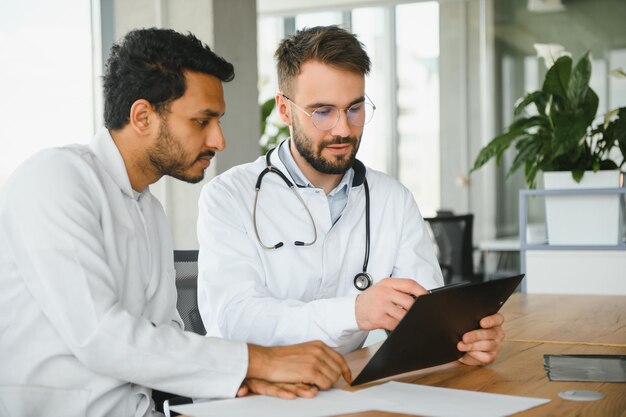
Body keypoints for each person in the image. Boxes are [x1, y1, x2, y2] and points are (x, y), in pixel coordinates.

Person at [0, 28, 351, 417]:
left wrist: (245, 380)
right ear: (143, 116)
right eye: (203, 121)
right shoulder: (54, 179)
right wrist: (260, 362)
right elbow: (100, 336)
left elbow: (162, 337)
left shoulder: (149, 208)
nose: (219, 141)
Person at [197, 26, 505, 363]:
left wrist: (458, 342)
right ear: (285, 110)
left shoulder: (392, 199)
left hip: (353, 385)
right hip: (260, 394)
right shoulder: (228, 196)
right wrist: (354, 312)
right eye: (323, 112)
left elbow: (425, 313)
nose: (343, 129)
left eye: (354, 109)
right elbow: (232, 321)